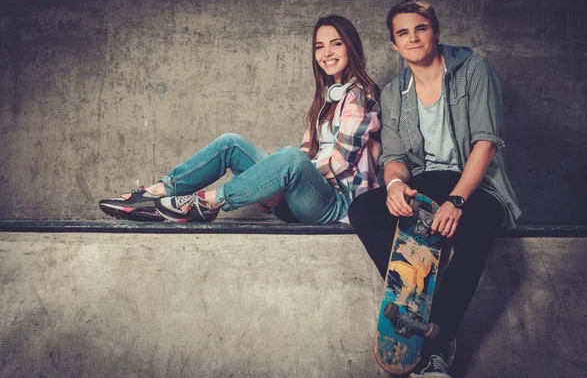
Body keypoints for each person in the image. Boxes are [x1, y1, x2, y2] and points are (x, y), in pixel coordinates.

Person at [347, 0, 521, 378]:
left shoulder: (473, 69)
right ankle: (421, 301)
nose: (413, 38)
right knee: (362, 210)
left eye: (420, 28)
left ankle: (439, 345)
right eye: (403, 33)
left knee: (478, 229)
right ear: (394, 45)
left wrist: (457, 200)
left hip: (476, 183)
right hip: (425, 180)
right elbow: (394, 157)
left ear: (436, 31)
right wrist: (393, 184)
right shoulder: (393, 94)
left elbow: (486, 143)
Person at [99, 15, 381, 225]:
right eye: (319, 46)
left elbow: (341, 162)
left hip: (336, 205)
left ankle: (204, 202)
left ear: (350, 46)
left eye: (336, 44)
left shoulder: (360, 94)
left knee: (290, 159)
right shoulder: (325, 99)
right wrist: (275, 179)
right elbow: (308, 153)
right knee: (231, 143)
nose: (326, 53)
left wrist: (281, 175)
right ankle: (151, 194)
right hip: (300, 199)